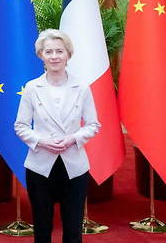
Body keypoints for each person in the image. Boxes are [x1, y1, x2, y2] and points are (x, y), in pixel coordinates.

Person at [14, 29, 100, 243]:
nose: (54, 56)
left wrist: (73, 138)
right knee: (42, 228)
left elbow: (93, 125)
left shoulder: (82, 87)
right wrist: (42, 141)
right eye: (48, 51)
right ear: (41, 55)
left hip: (74, 166)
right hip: (40, 166)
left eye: (59, 51)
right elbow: (21, 126)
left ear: (68, 54)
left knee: (73, 229)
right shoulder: (32, 88)